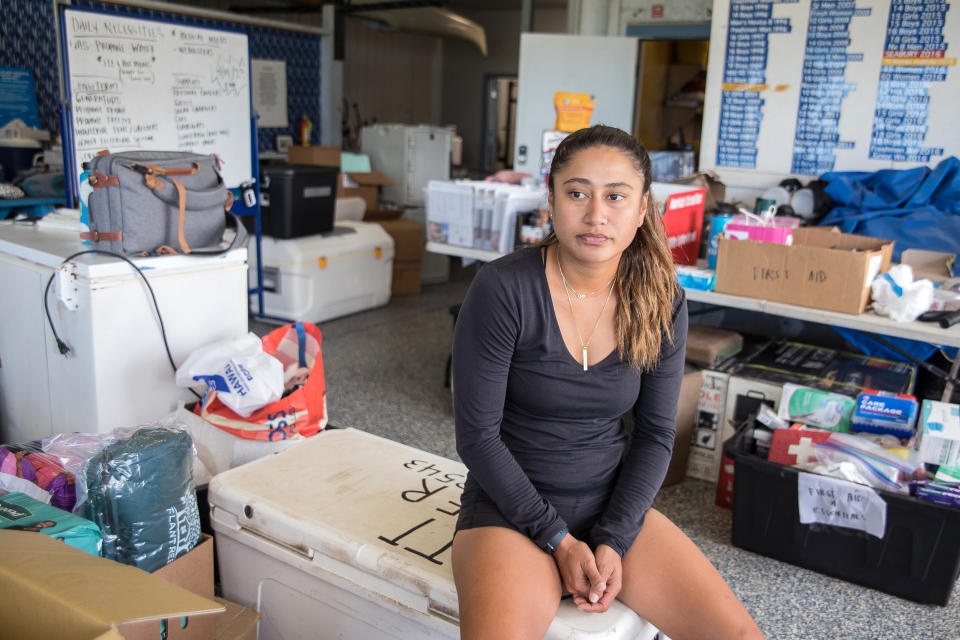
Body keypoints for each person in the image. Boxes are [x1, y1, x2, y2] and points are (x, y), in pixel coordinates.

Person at [451, 125, 763, 640]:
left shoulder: (662, 301)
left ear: (641, 211)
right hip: (507, 511)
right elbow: (477, 437)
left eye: (616, 196)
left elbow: (657, 433)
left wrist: (614, 538)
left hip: (612, 506)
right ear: (551, 201)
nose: (596, 214)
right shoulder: (503, 288)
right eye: (577, 193)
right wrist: (557, 538)